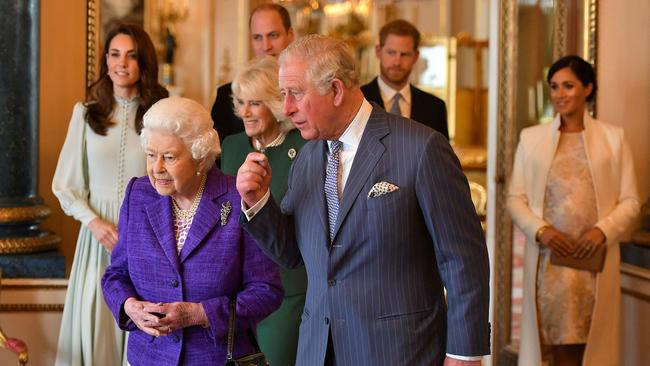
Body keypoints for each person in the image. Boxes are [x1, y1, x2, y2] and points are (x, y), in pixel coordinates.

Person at [237, 34, 490, 366]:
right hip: (317, 352)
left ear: (337, 90)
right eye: (284, 95)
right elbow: (293, 254)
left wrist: (464, 353)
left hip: (400, 352)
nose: (286, 108)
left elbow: (463, 260)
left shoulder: (421, 148)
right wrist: (257, 202)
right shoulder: (308, 158)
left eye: (296, 94)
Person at [101, 97, 283, 365]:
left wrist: (200, 314)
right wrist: (129, 306)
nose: (157, 167)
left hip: (217, 358)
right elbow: (115, 275)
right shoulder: (138, 194)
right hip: (148, 358)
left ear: (199, 157)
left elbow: (267, 291)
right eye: (151, 155)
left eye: (169, 157)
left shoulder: (238, 197)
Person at [508, 55, 640, 366]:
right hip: (548, 264)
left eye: (569, 86)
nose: (560, 94)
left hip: (593, 263)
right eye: (554, 87)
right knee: (556, 346)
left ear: (588, 88)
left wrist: (601, 231)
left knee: (592, 347)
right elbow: (515, 198)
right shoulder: (532, 138)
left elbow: (631, 201)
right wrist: (543, 231)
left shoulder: (613, 139)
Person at [52, 23, 168, 366]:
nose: (122, 63)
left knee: (140, 323)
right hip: (98, 239)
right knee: (97, 321)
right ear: (105, 61)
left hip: (148, 237)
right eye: (115, 54)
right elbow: (66, 182)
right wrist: (93, 222)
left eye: (131, 55)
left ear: (143, 62)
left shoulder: (160, 113)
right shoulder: (87, 113)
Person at [220, 56, 307, 366]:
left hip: (287, 291)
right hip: (235, 294)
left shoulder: (304, 148)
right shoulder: (230, 147)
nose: (244, 112)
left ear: (275, 103)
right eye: (241, 102)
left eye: (255, 103)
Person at [211, 3, 294, 143]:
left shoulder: (305, 93)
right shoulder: (226, 96)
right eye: (257, 37)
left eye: (273, 35)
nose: (266, 46)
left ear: (290, 35)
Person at [361, 19, 449, 139]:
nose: (397, 62)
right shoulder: (359, 99)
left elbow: (440, 156)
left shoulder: (435, 107)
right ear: (378, 52)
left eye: (405, 54)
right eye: (391, 53)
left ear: (416, 56)